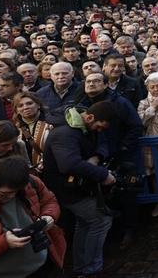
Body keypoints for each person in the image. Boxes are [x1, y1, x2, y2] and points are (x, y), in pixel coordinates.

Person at [42, 101, 117, 277]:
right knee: (100, 220)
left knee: (86, 223)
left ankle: (83, 268)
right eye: (99, 127)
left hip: (77, 187)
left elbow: (102, 142)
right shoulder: (64, 133)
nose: (99, 131)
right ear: (89, 117)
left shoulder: (86, 126)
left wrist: (97, 157)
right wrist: (103, 175)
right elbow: (69, 164)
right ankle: (91, 269)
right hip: (66, 190)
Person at [0, 157, 66, 276]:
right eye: (3, 194)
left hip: (41, 263)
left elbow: (49, 201)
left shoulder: (29, 182)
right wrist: (3, 242)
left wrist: (49, 216)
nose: (11, 196)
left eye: (15, 192)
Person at [12, 92, 53, 173]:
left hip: (50, 171)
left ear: (38, 105)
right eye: (20, 105)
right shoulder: (14, 129)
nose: (25, 107)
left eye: (29, 103)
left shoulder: (51, 124)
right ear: (16, 110)